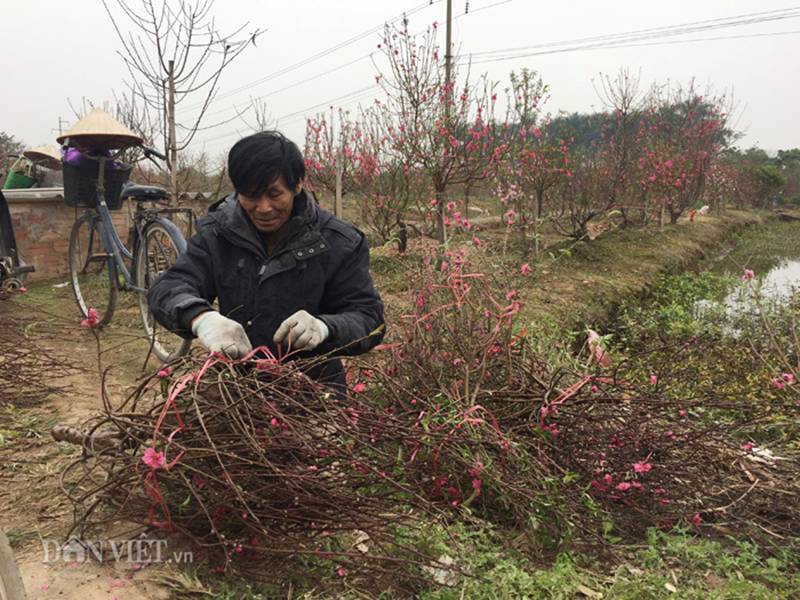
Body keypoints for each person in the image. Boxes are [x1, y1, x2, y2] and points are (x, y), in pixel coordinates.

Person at [147, 131, 385, 387]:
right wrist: (201, 318)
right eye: (250, 195)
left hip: (315, 393)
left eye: (274, 194)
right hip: (237, 390)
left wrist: (324, 327)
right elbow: (169, 288)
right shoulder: (218, 234)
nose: (263, 208)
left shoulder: (338, 242)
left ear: (297, 185)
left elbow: (368, 317)